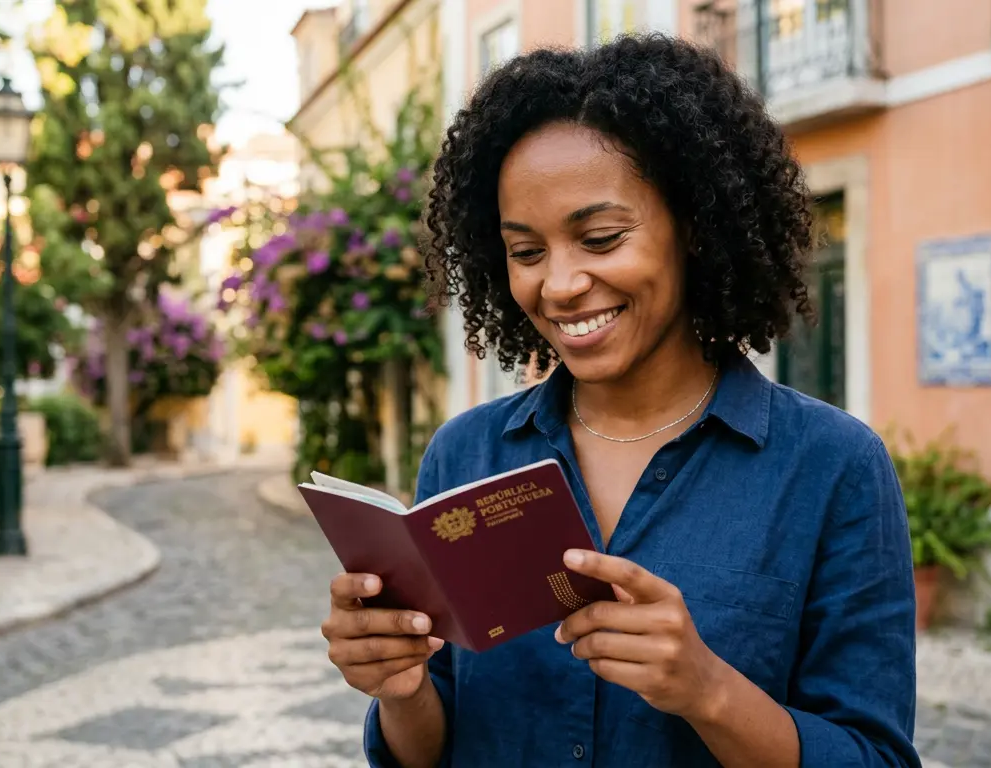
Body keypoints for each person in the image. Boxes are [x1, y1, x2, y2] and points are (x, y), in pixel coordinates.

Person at [320, 33, 919, 768]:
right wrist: (401, 688)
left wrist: (708, 690)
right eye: (527, 252)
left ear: (692, 228)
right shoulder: (465, 456)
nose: (561, 283)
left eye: (600, 238)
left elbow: (877, 758)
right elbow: (430, 751)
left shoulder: (833, 468)